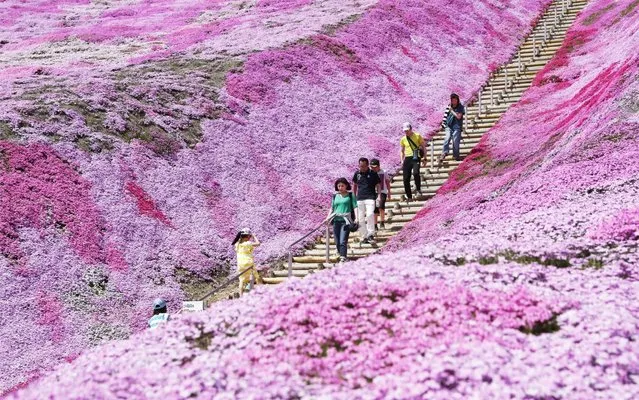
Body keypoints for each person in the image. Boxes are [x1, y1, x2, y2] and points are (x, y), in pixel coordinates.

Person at [326, 177, 358, 263]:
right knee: (336, 240)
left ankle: (343, 257)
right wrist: (327, 218)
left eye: (342, 186)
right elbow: (332, 208)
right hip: (336, 220)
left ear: (346, 185)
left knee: (343, 240)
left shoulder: (350, 195)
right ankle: (341, 255)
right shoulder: (335, 196)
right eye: (339, 186)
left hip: (346, 220)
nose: (340, 188)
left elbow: (355, 207)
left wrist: (357, 218)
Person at [352, 158, 380, 244]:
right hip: (360, 198)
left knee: (370, 214)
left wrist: (378, 196)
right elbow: (354, 185)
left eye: (364, 166)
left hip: (370, 197)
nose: (362, 168)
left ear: (367, 165)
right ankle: (364, 236)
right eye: (360, 166)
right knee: (360, 218)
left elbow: (378, 185)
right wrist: (354, 196)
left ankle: (370, 234)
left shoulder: (373, 173)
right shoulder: (357, 174)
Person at [231, 228, 263, 296]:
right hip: (248, 262)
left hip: (240, 264)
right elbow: (258, 243)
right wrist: (254, 236)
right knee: (256, 277)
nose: (250, 237)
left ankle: (241, 296)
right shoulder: (248, 243)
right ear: (247, 236)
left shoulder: (237, 244)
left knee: (242, 280)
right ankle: (261, 293)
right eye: (249, 236)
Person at [399, 122, 425, 200]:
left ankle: (418, 189)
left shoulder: (417, 136)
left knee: (416, 173)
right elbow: (402, 151)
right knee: (406, 178)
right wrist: (402, 160)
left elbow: (423, 147)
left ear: (411, 129)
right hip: (407, 157)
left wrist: (425, 158)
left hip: (416, 155)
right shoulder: (403, 139)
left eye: (407, 130)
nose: (406, 132)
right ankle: (409, 196)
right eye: (405, 131)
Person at [440, 93, 465, 163]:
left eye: (455, 100)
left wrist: (452, 111)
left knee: (455, 141)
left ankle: (456, 155)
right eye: (452, 100)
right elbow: (445, 116)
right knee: (447, 138)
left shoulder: (461, 107)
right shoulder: (449, 106)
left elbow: (459, 116)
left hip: (457, 127)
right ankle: (444, 153)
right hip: (449, 126)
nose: (454, 102)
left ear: (457, 100)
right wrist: (443, 125)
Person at [371, 159, 391, 230]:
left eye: (375, 167)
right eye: (372, 167)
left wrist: (389, 192)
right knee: (374, 209)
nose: (373, 168)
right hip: (373, 192)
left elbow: (387, 182)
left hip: (383, 191)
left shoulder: (384, 172)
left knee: (381, 206)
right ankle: (375, 224)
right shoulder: (370, 173)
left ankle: (382, 222)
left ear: (379, 166)